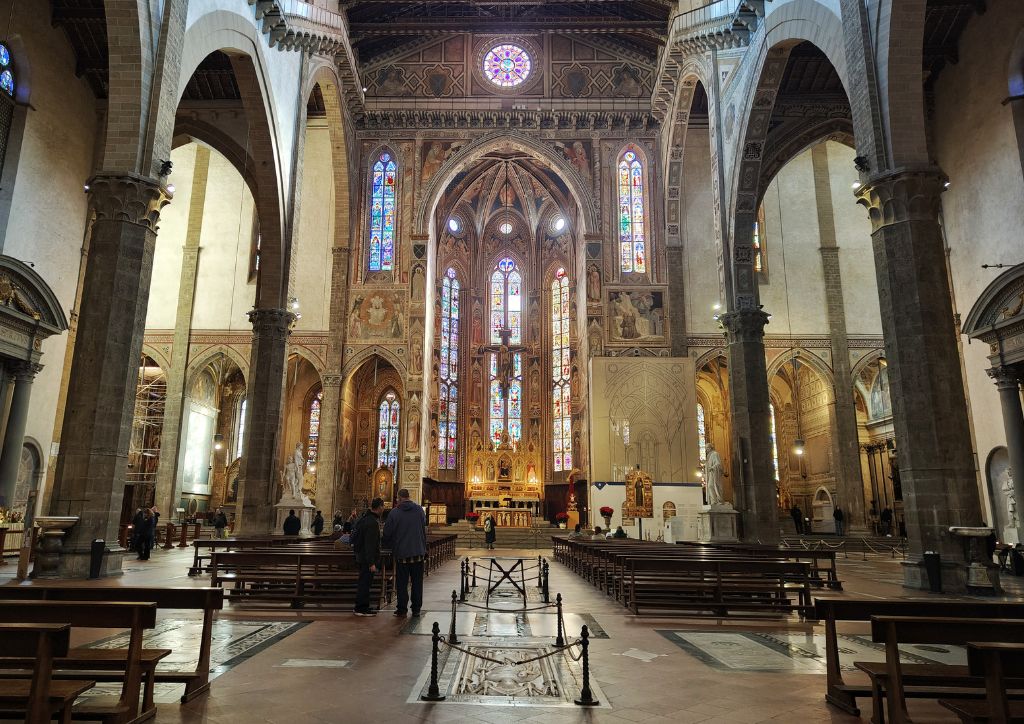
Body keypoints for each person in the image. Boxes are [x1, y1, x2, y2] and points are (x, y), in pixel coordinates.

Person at [383, 488, 428, 618]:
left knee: (402, 583)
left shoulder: (394, 513)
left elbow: (387, 533)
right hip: (418, 552)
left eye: (397, 499)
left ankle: (402, 608)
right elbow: (423, 526)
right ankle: (416, 609)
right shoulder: (419, 510)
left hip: (402, 553)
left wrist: (391, 543)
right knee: (417, 583)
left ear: (400, 498)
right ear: (408, 497)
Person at [352, 498, 383, 616]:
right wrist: (372, 563)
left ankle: (360, 607)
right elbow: (369, 544)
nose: (383, 509)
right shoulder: (372, 522)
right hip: (366, 559)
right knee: (365, 583)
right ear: (379, 507)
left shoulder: (365, 518)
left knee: (363, 582)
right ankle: (361, 608)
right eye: (383, 507)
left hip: (361, 556)